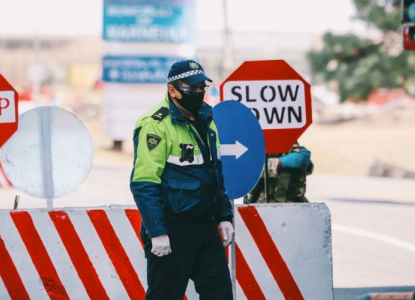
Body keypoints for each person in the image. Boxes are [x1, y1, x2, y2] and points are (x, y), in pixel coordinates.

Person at [130, 59, 234, 300]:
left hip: (204, 226)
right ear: (172, 90)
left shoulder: (207, 119)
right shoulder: (155, 125)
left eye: (201, 88)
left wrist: (224, 215)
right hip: (172, 227)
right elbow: (144, 182)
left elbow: (214, 171)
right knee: (165, 295)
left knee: (220, 294)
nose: (198, 92)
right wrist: (157, 231)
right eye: (191, 88)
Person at [248, 142, 313, 203]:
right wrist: (278, 162)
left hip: (294, 201)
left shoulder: (289, 136)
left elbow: (297, 171)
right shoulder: (254, 137)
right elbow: (245, 170)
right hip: (263, 202)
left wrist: (305, 163)